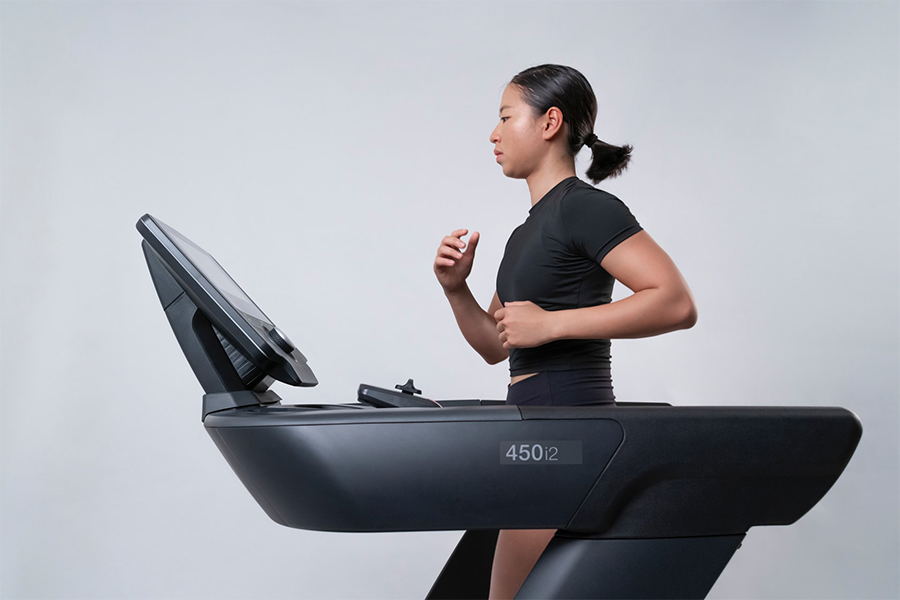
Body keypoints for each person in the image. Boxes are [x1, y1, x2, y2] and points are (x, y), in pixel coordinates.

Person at [432, 64, 698, 600]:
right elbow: (494, 345)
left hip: (566, 433)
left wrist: (553, 324)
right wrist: (456, 289)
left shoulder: (587, 208)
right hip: (533, 431)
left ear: (550, 121)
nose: (494, 132)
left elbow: (674, 301)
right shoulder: (524, 233)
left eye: (506, 116)